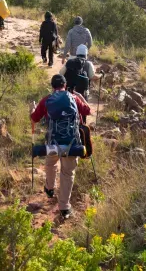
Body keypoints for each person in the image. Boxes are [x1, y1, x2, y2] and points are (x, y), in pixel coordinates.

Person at [30, 74, 91, 219]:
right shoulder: (74, 98)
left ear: (52, 86)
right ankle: (64, 208)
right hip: (72, 144)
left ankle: (49, 188)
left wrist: (32, 109)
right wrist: (81, 97)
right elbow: (87, 111)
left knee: (50, 164)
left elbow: (34, 118)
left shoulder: (46, 100)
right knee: (67, 174)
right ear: (65, 85)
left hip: (53, 144)